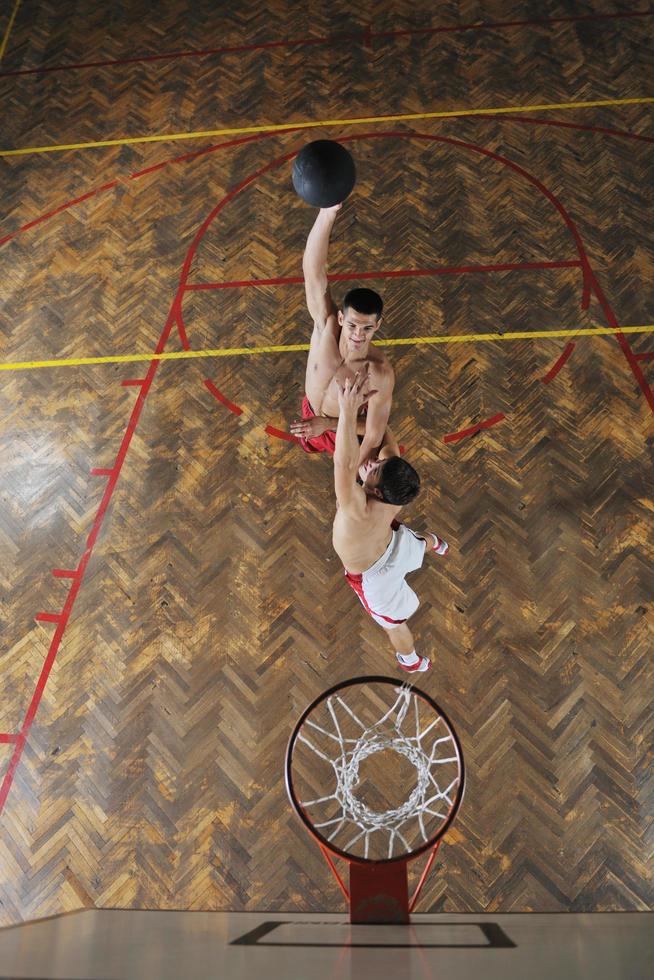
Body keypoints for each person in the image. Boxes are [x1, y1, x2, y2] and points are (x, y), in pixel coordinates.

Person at [332, 369, 449, 673]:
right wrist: (374, 404)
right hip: (394, 540)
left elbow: (343, 463)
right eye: (380, 462)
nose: (373, 462)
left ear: (375, 490)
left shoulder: (356, 509)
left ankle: (409, 661)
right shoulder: (394, 492)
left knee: (394, 624)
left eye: (374, 468)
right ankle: (436, 544)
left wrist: (346, 411)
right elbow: (382, 431)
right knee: (417, 543)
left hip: (375, 577)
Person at [289, 205, 394, 465]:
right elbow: (313, 273)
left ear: (378, 326)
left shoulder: (379, 372)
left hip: (342, 431)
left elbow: (373, 432)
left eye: (367, 328)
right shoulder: (326, 327)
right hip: (311, 415)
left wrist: (326, 424)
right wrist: (327, 213)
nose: (358, 335)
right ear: (340, 319)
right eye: (352, 325)